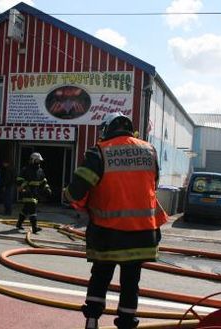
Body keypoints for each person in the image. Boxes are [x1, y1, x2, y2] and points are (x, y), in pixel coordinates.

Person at [63, 112, 168, 329]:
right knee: (131, 283)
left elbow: (77, 190)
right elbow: (153, 184)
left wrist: (72, 198)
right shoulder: (149, 151)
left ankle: (92, 320)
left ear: (107, 129)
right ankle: (127, 323)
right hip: (143, 235)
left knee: (100, 277)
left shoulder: (99, 152)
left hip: (107, 235)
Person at [16, 152, 52, 233]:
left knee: (26, 209)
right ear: (32, 160)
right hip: (27, 191)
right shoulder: (26, 169)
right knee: (32, 208)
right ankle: (34, 227)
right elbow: (19, 179)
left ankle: (19, 223)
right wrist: (24, 187)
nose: (38, 162)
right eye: (37, 161)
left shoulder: (40, 171)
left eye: (39, 161)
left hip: (35, 192)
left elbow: (43, 181)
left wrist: (47, 188)